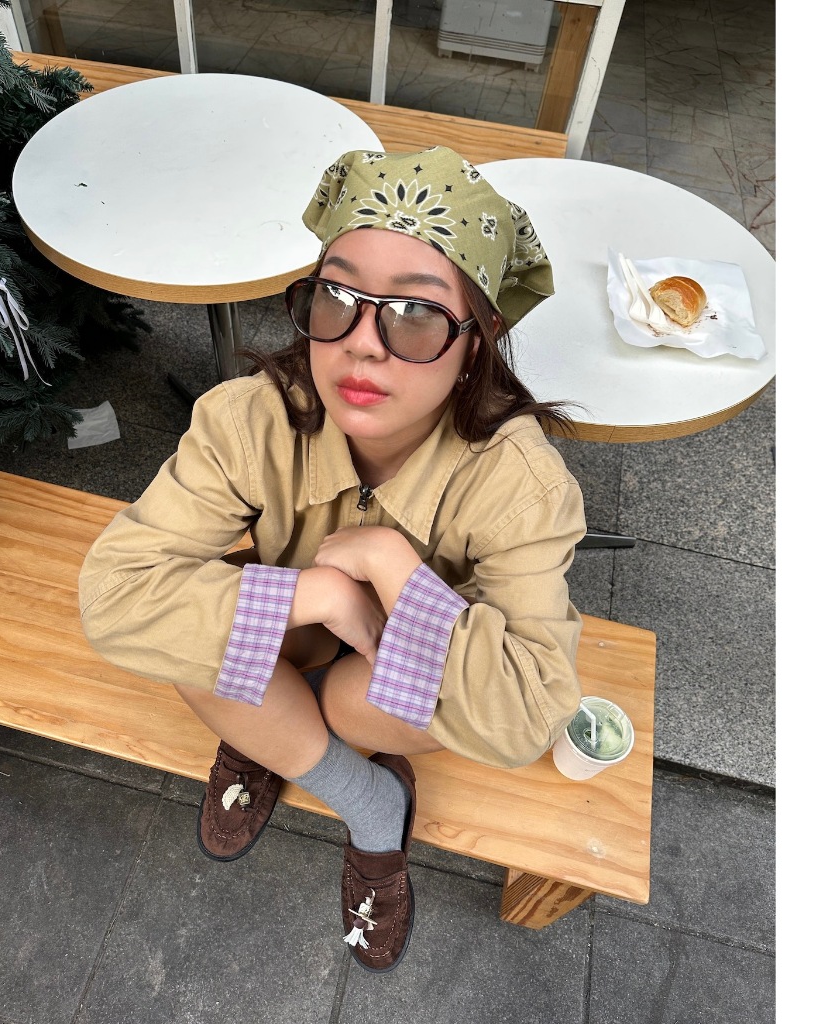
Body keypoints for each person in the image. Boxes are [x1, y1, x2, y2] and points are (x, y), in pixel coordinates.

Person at [78, 145, 587, 974]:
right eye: (337, 297)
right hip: (300, 626)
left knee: (338, 698)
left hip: (407, 664)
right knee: (187, 641)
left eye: (415, 314)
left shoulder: (522, 485)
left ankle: (285, 744)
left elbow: (528, 713)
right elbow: (114, 596)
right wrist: (318, 593)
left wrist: (392, 566)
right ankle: (370, 800)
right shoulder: (248, 420)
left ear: (481, 337)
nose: (362, 347)